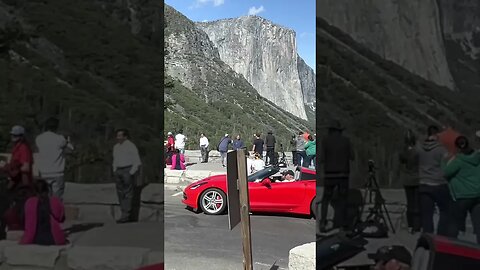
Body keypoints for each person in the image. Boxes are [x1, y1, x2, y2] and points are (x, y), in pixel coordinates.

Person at [442, 136, 480, 243]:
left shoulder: (459, 160)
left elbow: (445, 172)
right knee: (478, 224)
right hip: (477, 195)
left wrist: (444, 161)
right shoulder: (478, 157)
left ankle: (452, 245)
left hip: (462, 196)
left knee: (454, 222)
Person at [319, 120, 354, 232]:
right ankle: (343, 225)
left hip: (329, 174)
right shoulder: (346, 141)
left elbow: (322, 159)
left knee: (326, 199)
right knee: (343, 199)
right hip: (343, 175)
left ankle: (323, 223)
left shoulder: (326, 141)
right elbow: (352, 156)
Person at [416, 125, 450, 236]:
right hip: (438, 183)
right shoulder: (441, 149)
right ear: (437, 135)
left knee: (427, 215)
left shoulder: (420, 148)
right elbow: (449, 163)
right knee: (445, 211)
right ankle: (442, 236)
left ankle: (427, 238)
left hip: (424, 183)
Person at [35, 117, 74, 200]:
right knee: (56, 200)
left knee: (44, 198)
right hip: (57, 173)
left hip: (44, 173)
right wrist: (68, 141)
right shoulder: (60, 139)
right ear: (56, 127)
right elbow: (70, 150)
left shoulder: (39, 138)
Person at [20, 179, 66, 245]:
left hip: (36, 239)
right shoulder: (54, 201)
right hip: (55, 239)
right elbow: (61, 219)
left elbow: (26, 224)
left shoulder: (30, 203)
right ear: (47, 190)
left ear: (34, 191)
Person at [112, 129, 142, 223]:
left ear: (125, 137)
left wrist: (131, 172)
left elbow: (137, 161)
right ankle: (123, 213)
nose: (118, 138)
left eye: (120, 136)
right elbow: (115, 159)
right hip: (119, 170)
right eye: (117, 136)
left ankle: (126, 215)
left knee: (128, 193)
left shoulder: (130, 146)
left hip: (127, 170)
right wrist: (114, 169)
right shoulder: (116, 147)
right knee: (120, 193)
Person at [399, 130, 421, 233]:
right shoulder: (417, 151)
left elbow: (402, 161)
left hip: (407, 179)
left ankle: (411, 224)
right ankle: (416, 225)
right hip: (417, 179)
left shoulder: (403, 151)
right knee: (417, 204)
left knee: (410, 203)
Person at [0, 125, 34, 192]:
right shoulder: (16, 147)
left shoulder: (23, 148)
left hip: (22, 184)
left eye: (16, 135)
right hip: (15, 181)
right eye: (12, 134)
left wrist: (7, 167)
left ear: (22, 136)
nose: (13, 136)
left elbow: (26, 168)